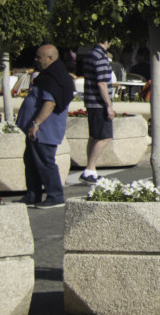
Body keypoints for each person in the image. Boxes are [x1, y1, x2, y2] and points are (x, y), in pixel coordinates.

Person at [16, 44, 74, 208]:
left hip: (44, 130)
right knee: (31, 161)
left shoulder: (52, 78)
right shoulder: (50, 75)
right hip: (38, 130)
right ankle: (32, 195)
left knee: (45, 162)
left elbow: (50, 102)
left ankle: (55, 196)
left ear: (50, 58)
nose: (36, 60)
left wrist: (36, 124)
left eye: (39, 57)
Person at [79, 39, 116, 185]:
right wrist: (108, 105)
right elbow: (101, 83)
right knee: (105, 137)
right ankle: (89, 169)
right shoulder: (101, 57)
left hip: (91, 101)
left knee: (94, 136)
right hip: (99, 103)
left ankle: (91, 170)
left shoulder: (89, 55)